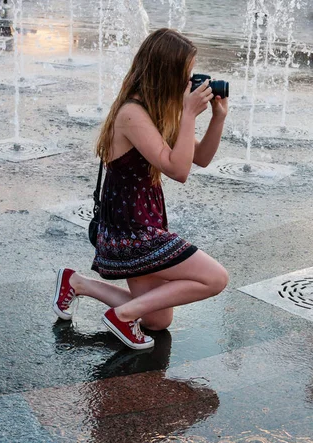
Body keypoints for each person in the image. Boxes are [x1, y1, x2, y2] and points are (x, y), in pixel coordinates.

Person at [53, 29, 229, 351]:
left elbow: (199, 158)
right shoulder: (132, 114)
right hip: (130, 230)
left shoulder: (158, 111)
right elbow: (178, 170)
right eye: (185, 73)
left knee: (158, 320)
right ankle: (122, 315)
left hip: (145, 223)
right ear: (166, 71)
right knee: (215, 278)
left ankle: (76, 283)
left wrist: (218, 117)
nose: (190, 81)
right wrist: (189, 113)